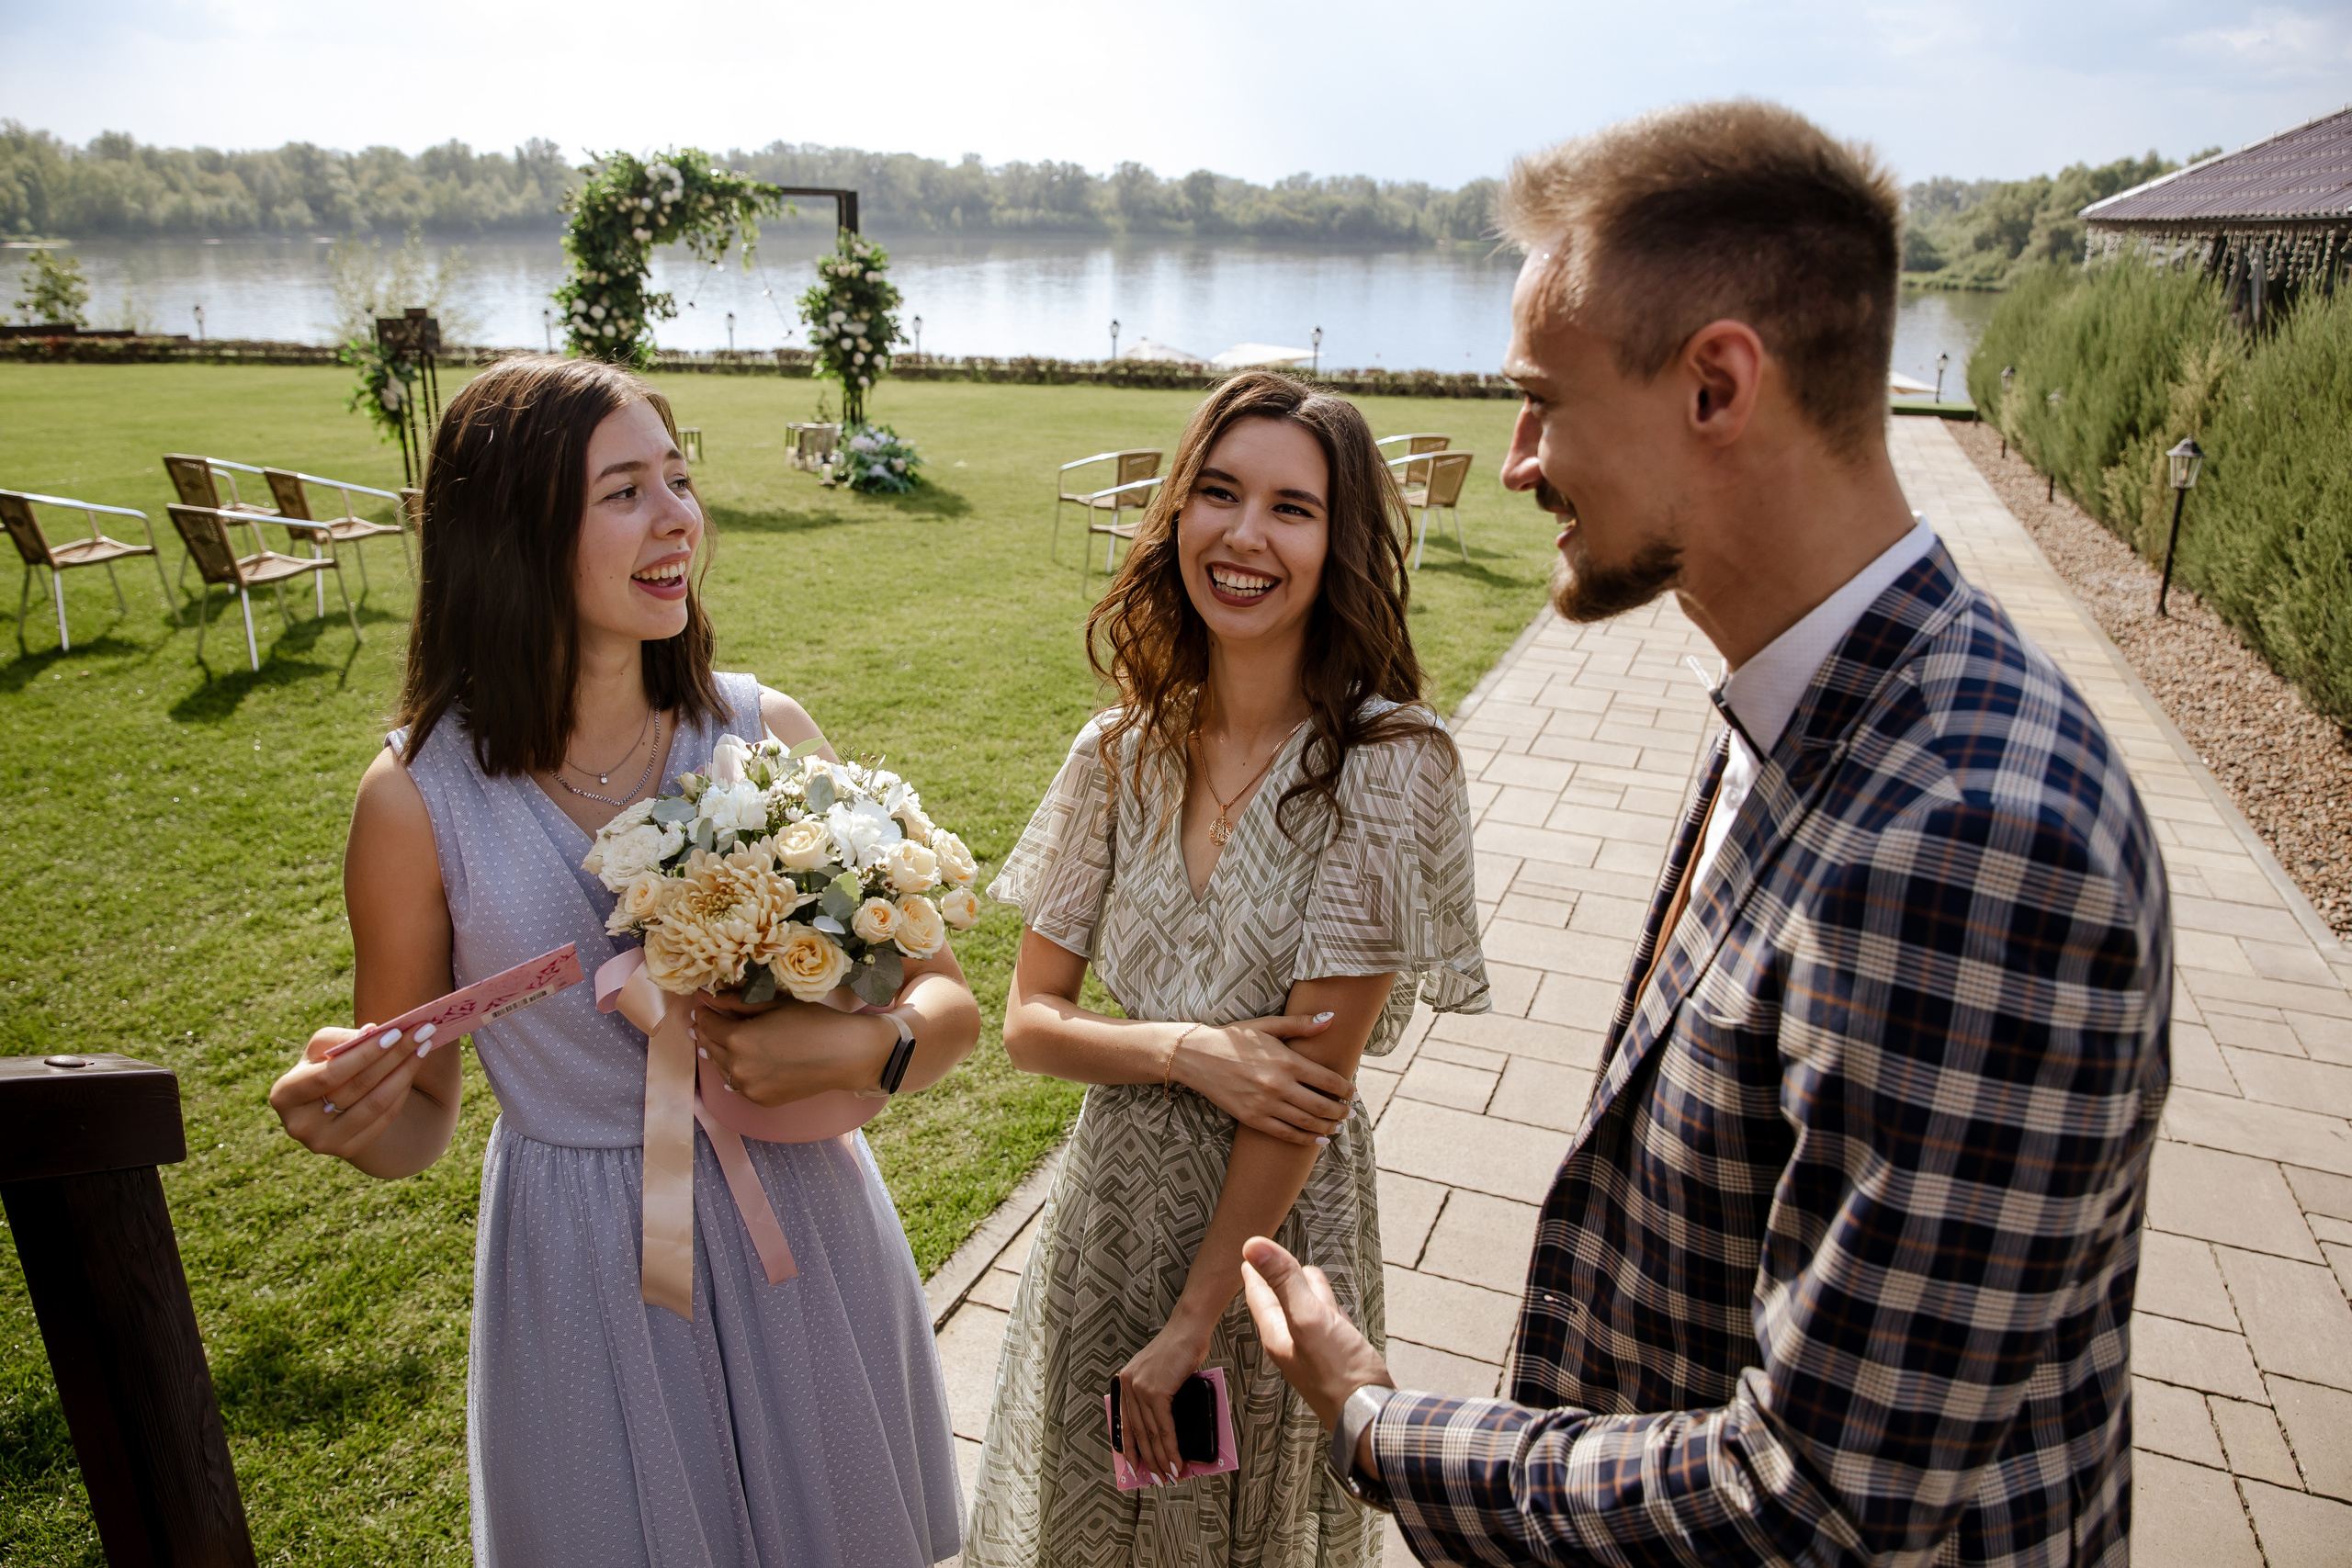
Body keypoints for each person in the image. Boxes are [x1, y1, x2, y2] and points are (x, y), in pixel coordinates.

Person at [1241, 101, 2170, 1568]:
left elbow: (1814, 1507)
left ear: (1718, 386)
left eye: (1545, 398)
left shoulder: (1976, 841)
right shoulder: (1807, 695)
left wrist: (1372, 1422)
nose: (1518, 461)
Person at [266, 356, 973, 1565]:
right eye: (626, 491)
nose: (680, 518)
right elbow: (420, 1114)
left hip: (800, 1224)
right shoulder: (414, 802)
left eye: (680, 479)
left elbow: (946, 1001)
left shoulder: (763, 733)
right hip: (585, 1261)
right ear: (518, 530)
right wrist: (357, 1115)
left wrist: (870, 1041)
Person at [964, 371, 1489, 1568]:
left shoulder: (1392, 766)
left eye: (1292, 508)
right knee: (1089, 1520)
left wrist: (1195, 1322)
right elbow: (1029, 1024)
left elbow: (1306, 1084)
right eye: (1219, 493)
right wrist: (1189, 1049)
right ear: (1179, 515)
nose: (1246, 535)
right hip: (1107, 1212)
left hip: (1265, 1249)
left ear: (1339, 538)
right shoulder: (1116, 752)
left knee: (1226, 1533)